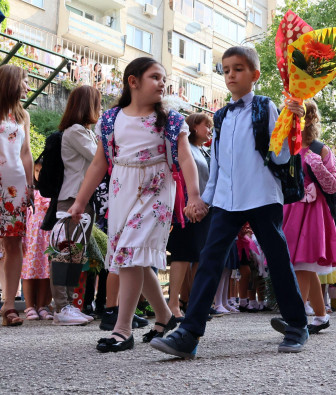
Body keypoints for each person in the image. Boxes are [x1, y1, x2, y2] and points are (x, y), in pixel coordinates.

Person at [150, 46, 308, 359]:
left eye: (238, 68)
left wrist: (291, 123)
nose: (231, 75)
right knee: (209, 259)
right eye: (226, 70)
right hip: (226, 200)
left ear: (255, 75)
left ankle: (297, 324)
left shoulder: (267, 107)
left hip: (262, 195)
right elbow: (219, 163)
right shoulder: (221, 115)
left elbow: (281, 156)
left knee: (277, 259)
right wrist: (204, 199)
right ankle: (189, 333)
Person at [68, 57, 204, 352]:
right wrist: (80, 202)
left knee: (129, 251)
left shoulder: (171, 120)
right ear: (133, 81)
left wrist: (193, 196)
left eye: (163, 78)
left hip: (156, 186)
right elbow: (98, 163)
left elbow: (185, 158)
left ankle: (122, 329)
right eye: (155, 76)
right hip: (122, 185)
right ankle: (165, 316)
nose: (162, 82)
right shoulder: (110, 119)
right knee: (131, 256)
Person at [282, 99, 336, 333]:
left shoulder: (320, 149)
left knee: (303, 265)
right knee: (303, 266)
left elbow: (333, 186)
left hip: (313, 213)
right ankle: (321, 316)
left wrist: (317, 165)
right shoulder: (284, 145)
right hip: (289, 210)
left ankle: (295, 321)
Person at [52, 85, 102, 326]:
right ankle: (61, 307)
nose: (100, 108)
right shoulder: (75, 132)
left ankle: (69, 305)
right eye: (97, 103)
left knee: (76, 255)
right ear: (88, 105)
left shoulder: (85, 132)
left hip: (82, 200)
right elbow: (98, 157)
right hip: (72, 199)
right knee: (65, 253)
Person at [166, 112, 212, 320]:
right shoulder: (187, 148)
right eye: (206, 125)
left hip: (204, 208)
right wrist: (189, 204)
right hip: (187, 208)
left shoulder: (203, 151)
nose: (209, 130)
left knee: (196, 257)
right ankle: (173, 304)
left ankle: (189, 302)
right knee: (182, 254)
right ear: (194, 126)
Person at [0, 65, 33, 326]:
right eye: (24, 81)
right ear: (11, 81)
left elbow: (26, 154)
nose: (27, 86)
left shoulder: (23, 115)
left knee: (13, 244)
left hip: (15, 188)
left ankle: (9, 305)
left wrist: (30, 187)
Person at [21, 156, 53, 320]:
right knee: (28, 272)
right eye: (37, 170)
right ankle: (28, 307)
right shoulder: (29, 191)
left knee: (45, 273)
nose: (39, 174)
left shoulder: (53, 191)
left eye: (43, 171)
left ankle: (41, 305)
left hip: (47, 237)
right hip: (31, 237)